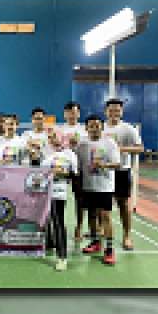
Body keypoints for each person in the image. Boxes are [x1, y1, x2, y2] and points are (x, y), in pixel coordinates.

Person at [78, 114, 121, 265]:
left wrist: (103, 165)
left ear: (102, 127)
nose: (94, 128)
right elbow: (77, 164)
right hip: (88, 185)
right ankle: (95, 242)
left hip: (105, 186)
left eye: (97, 125)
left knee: (105, 216)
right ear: (86, 128)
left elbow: (117, 164)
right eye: (91, 126)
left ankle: (109, 249)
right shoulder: (82, 145)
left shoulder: (110, 143)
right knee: (91, 215)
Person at [103, 98, 144, 250]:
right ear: (106, 111)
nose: (114, 112)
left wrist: (120, 149)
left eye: (117, 110)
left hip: (121, 171)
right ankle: (102, 231)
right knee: (102, 204)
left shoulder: (128, 129)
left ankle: (127, 235)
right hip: (103, 171)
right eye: (111, 110)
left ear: (121, 111)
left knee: (123, 204)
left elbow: (140, 148)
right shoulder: (100, 128)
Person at [43, 128, 79, 271]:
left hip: (58, 192)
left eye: (55, 136)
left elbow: (75, 176)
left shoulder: (69, 154)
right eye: (50, 137)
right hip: (43, 193)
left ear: (62, 137)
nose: (53, 139)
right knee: (48, 221)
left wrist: (64, 173)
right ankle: (49, 244)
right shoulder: (47, 154)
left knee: (58, 221)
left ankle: (62, 257)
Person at [59, 101, 88, 243]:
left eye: (75, 112)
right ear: (65, 114)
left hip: (79, 169)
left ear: (79, 114)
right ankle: (60, 226)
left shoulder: (84, 130)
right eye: (69, 112)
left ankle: (79, 227)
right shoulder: (59, 130)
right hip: (62, 169)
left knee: (80, 199)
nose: (72, 115)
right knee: (60, 198)